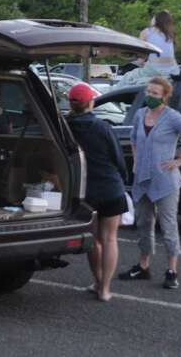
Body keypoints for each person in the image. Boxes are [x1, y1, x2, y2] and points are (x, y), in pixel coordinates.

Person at [119, 77, 181, 289]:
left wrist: (180, 159)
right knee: (144, 224)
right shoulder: (140, 115)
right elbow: (133, 138)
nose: (150, 96)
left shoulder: (172, 116)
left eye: (155, 93)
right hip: (142, 179)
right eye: (148, 92)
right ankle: (143, 266)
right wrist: (137, 161)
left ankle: (171, 270)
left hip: (165, 180)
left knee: (168, 226)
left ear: (165, 96)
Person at [66, 82, 128, 302]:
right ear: (91, 103)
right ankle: (105, 289)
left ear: (71, 104)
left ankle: (97, 280)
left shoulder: (64, 127)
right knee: (110, 238)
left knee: (94, 240)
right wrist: (125, 178)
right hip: (111, 188)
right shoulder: (102, 127)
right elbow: (118, 157)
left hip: (84, 192)